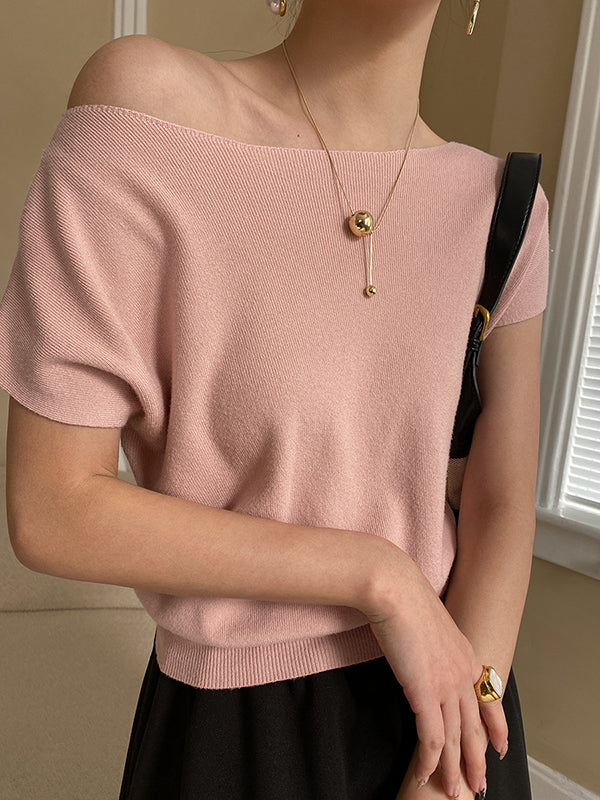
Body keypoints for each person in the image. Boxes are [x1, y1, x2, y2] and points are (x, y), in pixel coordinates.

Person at [0, 0, 548, 797]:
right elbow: (50, 508)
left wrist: (453, 770)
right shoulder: (147, 108)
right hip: (239, 735)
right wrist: (380, 577)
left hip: (457, 714)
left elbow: (502, 503)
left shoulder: (504, 207)